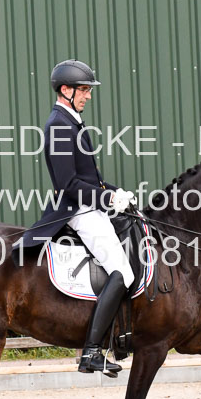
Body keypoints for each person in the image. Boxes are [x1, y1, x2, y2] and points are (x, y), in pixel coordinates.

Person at [13, 59, 137, 377]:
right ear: (65, 90)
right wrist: (107, 199)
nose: (88, 95)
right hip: (78, 211)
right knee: (122, 272)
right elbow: (68, 184)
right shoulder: (58, 125)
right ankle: (92, 352)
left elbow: (90, 178)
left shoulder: (72, 121)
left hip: (90, 205)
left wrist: (117, 192)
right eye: (83, 90)